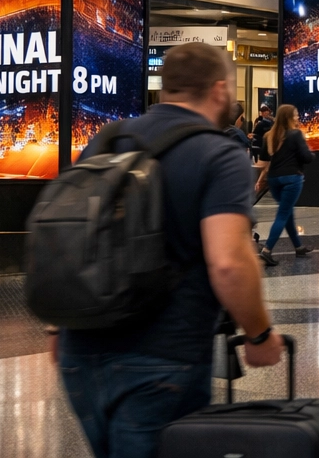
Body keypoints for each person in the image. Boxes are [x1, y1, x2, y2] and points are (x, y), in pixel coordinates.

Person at [59, 43, 282, 458]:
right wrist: (260, 334)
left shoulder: (107, 139)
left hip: (81, 350)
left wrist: (57, 328)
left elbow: (72, 237)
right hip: (163, 355)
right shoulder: (219, 153)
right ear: (219, 91)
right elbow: (229, 262)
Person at [254, 104, 313, 265]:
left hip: (274, 180)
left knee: (286, 212)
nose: (297, 117)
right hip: (292, 179)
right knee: (283, 214)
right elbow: (307, 158)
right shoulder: (296, 135)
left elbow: (263, 162)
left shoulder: (269, 136)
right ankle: (267, 250)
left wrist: (260, 180)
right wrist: (310, 150)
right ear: (288, 117)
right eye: (295, 115)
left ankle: (298, 247)